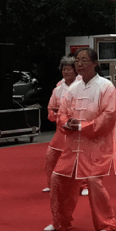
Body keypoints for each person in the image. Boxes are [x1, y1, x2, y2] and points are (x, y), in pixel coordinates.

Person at [46, 48, 116, 231]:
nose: (80, 64)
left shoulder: (106, 87)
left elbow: (109, 115)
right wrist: (65, 123)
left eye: (84, 60)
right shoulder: (72, 88)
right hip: (73, 145)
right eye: (77, 60)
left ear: (94, 63)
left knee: (94, 181)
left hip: (96, 146)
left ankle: (106, 224)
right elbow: (62, 113)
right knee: (58, 178)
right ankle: (60, 220)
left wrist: (82, 126)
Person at [43, 57, 77, 192]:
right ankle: (52, 184)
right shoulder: (58, 89)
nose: (66, 72)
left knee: (79, 158)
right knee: (51, 155)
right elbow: (50, 108)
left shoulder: (82, 86)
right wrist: (55, 114)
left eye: (69, 69)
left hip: (76, 128)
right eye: (64, 69)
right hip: (61, 129)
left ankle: (84, 184)